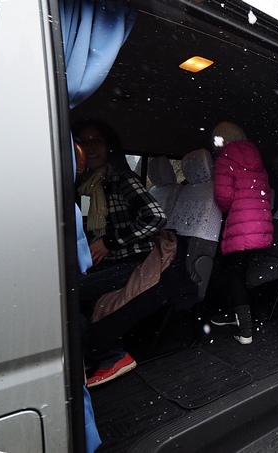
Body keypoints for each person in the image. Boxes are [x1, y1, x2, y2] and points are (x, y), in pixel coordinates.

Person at [74, 119, 168, 386]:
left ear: (109, 147)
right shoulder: (87, 184)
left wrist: (110, 243)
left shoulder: (119, 178)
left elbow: (156, 217)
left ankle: (112, 355)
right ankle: (82, 352)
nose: (90, 147)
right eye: (83, 141)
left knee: (68, 294)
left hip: (132, 261)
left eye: (97, 141)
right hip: (107, 262)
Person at [209, 121, 273, 345]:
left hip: (240, 225)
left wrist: (230, 210)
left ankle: (246, 330)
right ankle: (236, 315)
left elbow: (223, 196)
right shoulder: (258, 159)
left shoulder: (225, 158)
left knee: (232, 273)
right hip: (259, 225)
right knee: (241, 271)